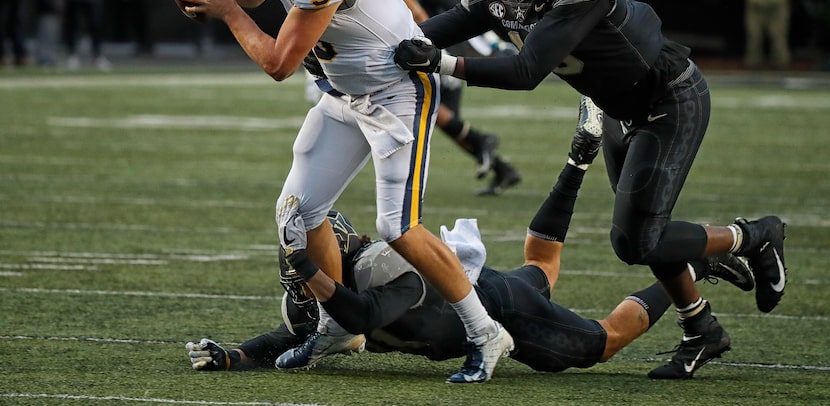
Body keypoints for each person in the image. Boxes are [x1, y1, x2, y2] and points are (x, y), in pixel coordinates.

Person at [393, 0, 788, 379]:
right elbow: (455, 21)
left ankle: (753, 235)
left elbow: (527, 70)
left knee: (637, 239)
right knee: (643, 236)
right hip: (618, 106)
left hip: (668, 96)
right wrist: (399, 43)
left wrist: (443, 64)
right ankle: (700, 327)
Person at [166, 0, 512, 384]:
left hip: (398, 90)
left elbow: (280, 62)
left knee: (399, 227)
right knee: (300, 211)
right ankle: (337, 326)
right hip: (347, 93)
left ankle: (486, 334)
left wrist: (229, 12)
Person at [185, 105, 755, 377]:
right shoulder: (325, 290)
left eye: (309, 262)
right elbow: (293, 333)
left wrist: (313, 273)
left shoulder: (384, 266)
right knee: (542, 266)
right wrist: (232, 356)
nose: (301, 281)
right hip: (478, 297)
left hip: (497, 307)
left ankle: (698, 268)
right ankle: (577, 159)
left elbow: (358, 316)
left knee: (596, 345)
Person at [340, 0, 521, 195]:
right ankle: (499, 165)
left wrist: (427, 40)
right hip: (409, 45)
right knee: (436, 115)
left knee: (429, 112)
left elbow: (451, 7)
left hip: (424, 45)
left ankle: (483, 146)